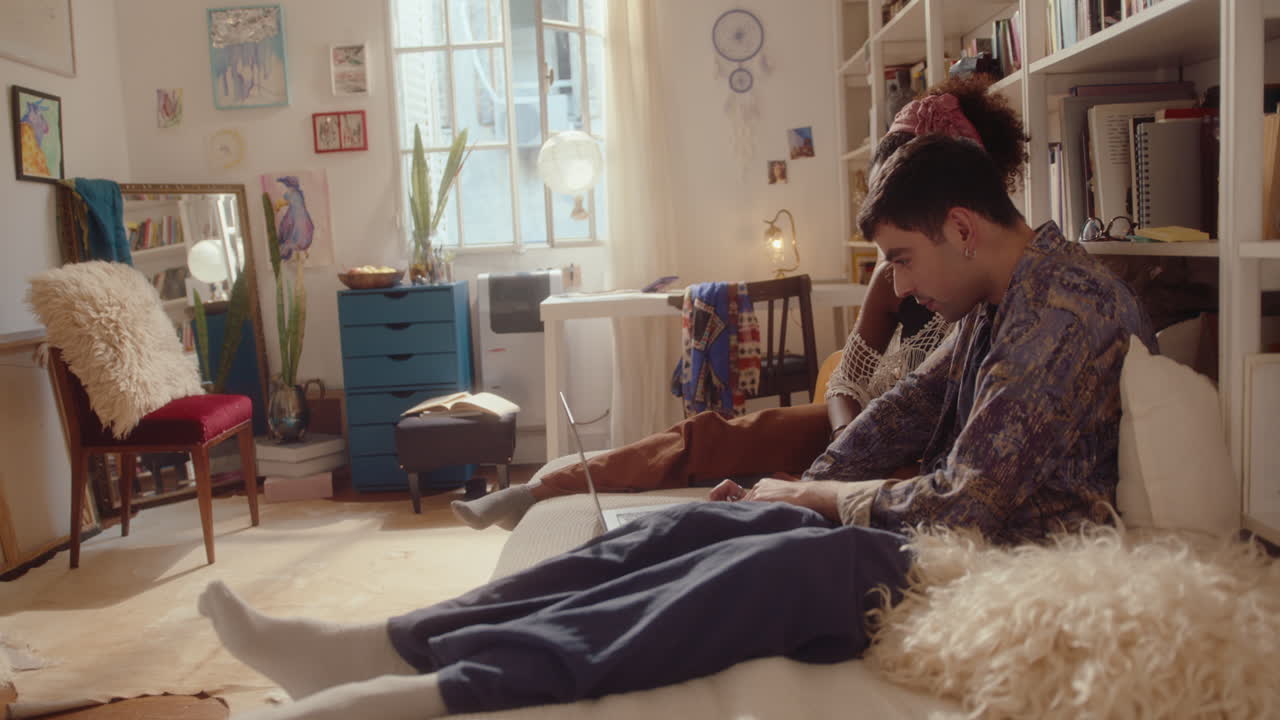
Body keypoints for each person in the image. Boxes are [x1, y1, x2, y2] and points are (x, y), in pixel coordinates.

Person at [199, 135, 1154, 720]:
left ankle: (434, 694)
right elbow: (905, 409)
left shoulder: (1063, 313)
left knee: (764, 568)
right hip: (927, 525)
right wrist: (794, 484)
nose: (897, 287)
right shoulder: (994, 297)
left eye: (902, 261)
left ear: (961, 226)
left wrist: (811, 500)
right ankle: (394, 641)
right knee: (695, 523)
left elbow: (974, 505)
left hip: (992, 560)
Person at [452, 76, 1027, 531]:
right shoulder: (897, 278)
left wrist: (818, 480)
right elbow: (852, 378)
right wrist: (847, 435)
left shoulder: (995, 297)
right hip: (855, 422)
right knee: (716, 433)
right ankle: (543, 487)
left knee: (794, 488)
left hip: (910, 454)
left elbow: (960, 471)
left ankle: (748, 508)